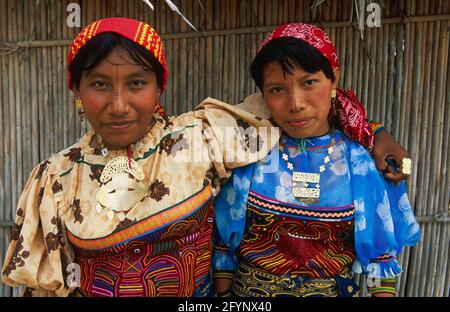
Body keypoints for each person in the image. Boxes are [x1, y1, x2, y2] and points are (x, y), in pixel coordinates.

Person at [1, 18, 408, 297]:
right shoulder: (55, 179)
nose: (119, 105)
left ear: (160, 86)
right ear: (76, 89)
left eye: (137, 83)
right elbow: (47, 284)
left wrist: (375, 134)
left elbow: (301, 109)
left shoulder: (203, 138)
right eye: (99, 84)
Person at [212, 23, 420, 297]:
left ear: (333, 79)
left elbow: (381, 260)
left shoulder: (362, 162)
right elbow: (223, 246)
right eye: (277, 89)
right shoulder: (248, 152)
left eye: (309, 82)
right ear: (263, 94)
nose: (295, 102)